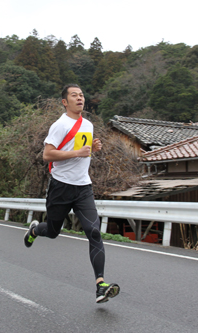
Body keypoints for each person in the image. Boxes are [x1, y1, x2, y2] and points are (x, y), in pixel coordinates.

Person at [23, 84, 120, 304]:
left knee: (94, 231)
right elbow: (47, 155)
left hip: (83, 187)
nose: (80, 98)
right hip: (61, 187)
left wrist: (92, 149)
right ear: (65, 102)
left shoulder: (87, 124)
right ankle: (36, 230)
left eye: (82, 95)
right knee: (53, 231)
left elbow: (81, 152)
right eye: (74, 96)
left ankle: (100, 285)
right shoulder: (60, 125)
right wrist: (77, 152)